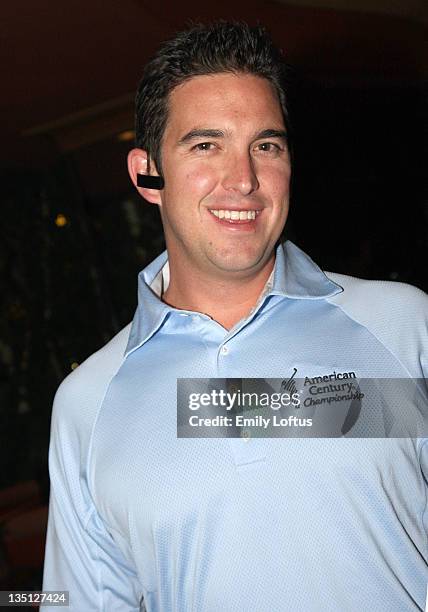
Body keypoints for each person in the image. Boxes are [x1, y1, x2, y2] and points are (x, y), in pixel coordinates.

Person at [42, 21, 428, 611]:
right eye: (206, 145)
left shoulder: (402, 327)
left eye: (266, 145)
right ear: (148, 174)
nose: (244, 179)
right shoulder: (88, 404)